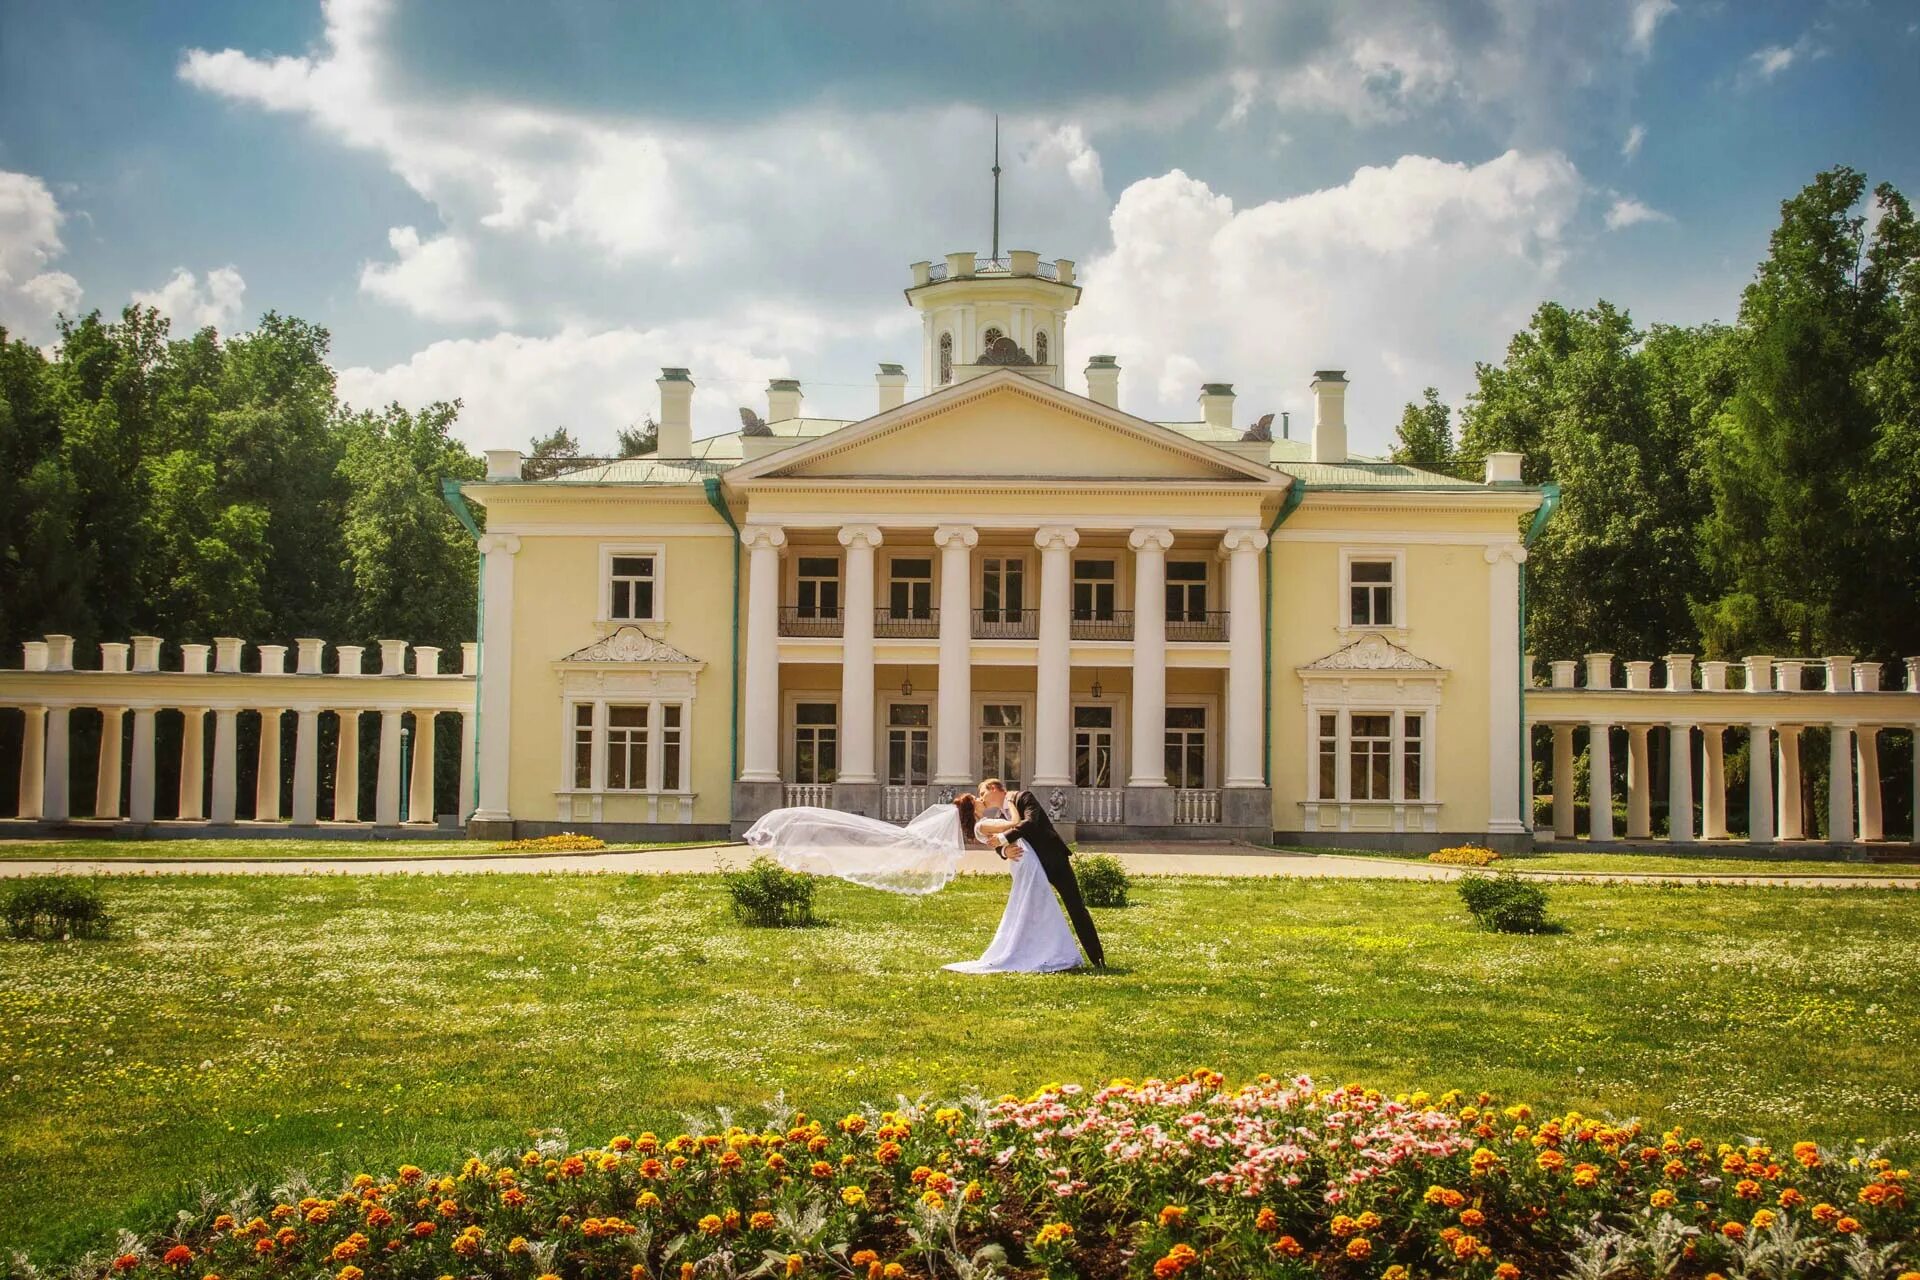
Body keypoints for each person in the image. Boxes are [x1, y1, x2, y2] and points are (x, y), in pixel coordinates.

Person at [942, 793, 1087, 974]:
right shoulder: (983, 824)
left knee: (1036, 902)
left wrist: (1003, 848)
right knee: (1038, 902)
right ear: (972, 808)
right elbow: (1015, 823)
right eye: (976, 799)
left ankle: (1045, 948)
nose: (980, 800)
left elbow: (1002, 840)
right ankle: (1047, 950)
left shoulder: (984, 823)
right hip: (1024, 860)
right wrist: (1010, 803)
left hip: (1022, 857)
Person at [977, 778, 1106, 969]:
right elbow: (994, 843)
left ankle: (1098, 959)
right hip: (1031, 871)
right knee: (1035, 915)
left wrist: (1004, 838)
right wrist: (1005, 851)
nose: (981, 799)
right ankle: (1040, 958)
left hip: (1054, 862)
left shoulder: (1024, 797)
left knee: (1076, 907)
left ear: (994, 788)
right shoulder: (1000, 815)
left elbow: (1031, 822)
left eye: (982, 793)